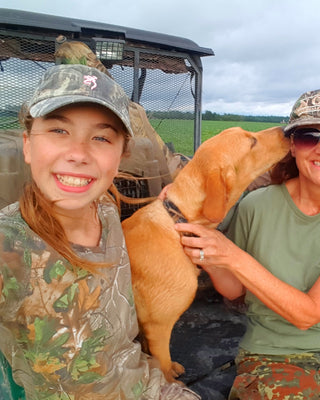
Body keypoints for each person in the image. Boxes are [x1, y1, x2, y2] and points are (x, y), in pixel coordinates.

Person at [0, 64, 199, 400]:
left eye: (101, 137)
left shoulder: (107, 211)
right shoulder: (9, 245)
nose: (78, 154)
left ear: (120, 156)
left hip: (143, 384)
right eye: (59, 131)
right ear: (28, 145)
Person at [175, 89, 320, 399]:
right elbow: (235, 289)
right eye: (308, 137)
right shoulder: (256, 206)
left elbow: (309, 314)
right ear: (292, 145)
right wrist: (207, 251)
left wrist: (231, 255)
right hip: (270, 356)